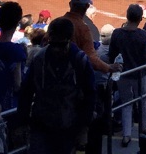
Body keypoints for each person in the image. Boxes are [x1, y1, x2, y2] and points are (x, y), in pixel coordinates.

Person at [17, 15, 96, 154]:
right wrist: (22, 121)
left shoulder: (80, 61)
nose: (56, 49)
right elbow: (26, 91)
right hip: (41, 125)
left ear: (70, 40)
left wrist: (84, 129)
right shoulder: (39, 58)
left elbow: (89, 95)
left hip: (69, 127)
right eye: (53, 44)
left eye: (61, 45)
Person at [108, 3, 146, 146]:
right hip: (139, 74)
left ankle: (126, 135)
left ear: (127, 16)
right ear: (140, 19)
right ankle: (145, 126)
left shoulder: (117, 33)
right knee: (142, 100)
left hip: (123, 74)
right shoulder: (143, 36)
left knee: (126, 103)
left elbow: (112, 55)